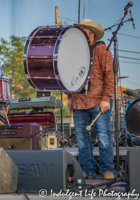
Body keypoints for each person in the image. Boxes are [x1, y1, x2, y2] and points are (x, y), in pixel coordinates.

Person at [67, 19, 115, 180]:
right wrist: (69, 97)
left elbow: (110, 74)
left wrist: (106, 98)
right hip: (79, 101)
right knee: (81, 137)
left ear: (92, 35)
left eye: (83, 31)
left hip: (98, 100)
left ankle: (108, 169)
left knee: (103, 135)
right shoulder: (74, 52)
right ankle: (87, 169)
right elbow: (68, 75)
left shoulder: (102, 49)